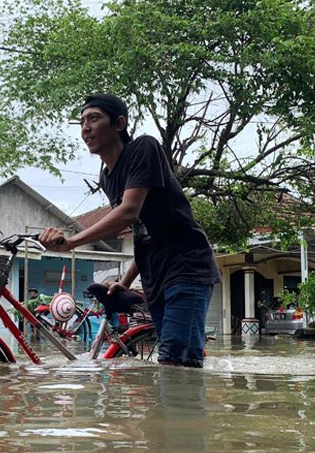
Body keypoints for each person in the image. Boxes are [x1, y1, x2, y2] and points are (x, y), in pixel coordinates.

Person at [39, 93, 221, 368]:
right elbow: (143, 233)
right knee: (171, 365)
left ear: (119, 124)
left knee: (178, 364)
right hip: (155, 277)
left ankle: (189, 411)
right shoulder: (107, 176)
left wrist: (72, 242)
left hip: (187, 267)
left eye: (94, 118)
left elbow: (128, 212)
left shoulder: (143, 148)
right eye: (81, 122)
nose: (85, 128)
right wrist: (124, 282)